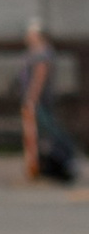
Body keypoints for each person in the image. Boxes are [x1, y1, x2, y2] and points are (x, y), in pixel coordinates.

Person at [21, 21, 78, 183]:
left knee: (51, 131)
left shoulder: (42, 53)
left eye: (30, 34)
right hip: (36, 100)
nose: (27, 37)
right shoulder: (34, 52)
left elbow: (39, 77)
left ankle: (67, 159)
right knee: (40, 134)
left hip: (40, 101)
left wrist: (31, 99)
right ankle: (46, 164)